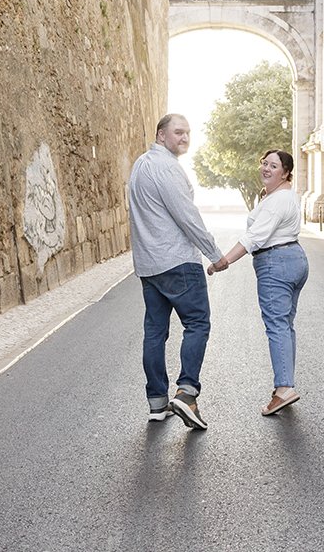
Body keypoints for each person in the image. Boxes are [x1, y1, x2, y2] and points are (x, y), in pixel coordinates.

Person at [126, 114, 223, 430]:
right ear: (161, 134)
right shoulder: (168, 168)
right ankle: (186, 392)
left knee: (155, 332)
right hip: (177, 262)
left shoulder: (140, 165)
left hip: (148, 265)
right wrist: (215, 254)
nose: (184, 137)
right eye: (178, 132)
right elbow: (187, 217)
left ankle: (157, 403)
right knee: (197, 323)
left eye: (188, 133)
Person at [208, 149, 307, 415]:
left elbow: (254, 237)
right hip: (294, 258)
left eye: (273, 166)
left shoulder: (277, 201)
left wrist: (223, 261)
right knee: (284, 325)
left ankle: (284, 388)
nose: (266, 168)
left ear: (286, 172)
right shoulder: (283, 196)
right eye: (264, 163)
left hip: (276, 263)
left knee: (277, 325)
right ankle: (284, 386)